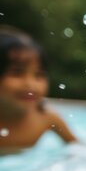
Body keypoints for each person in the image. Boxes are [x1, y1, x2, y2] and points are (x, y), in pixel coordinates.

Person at [0, 25, 76, 154]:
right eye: (17, 73)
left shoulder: (46, 118)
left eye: (39, 75)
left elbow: (79, 149)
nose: (30, 84)